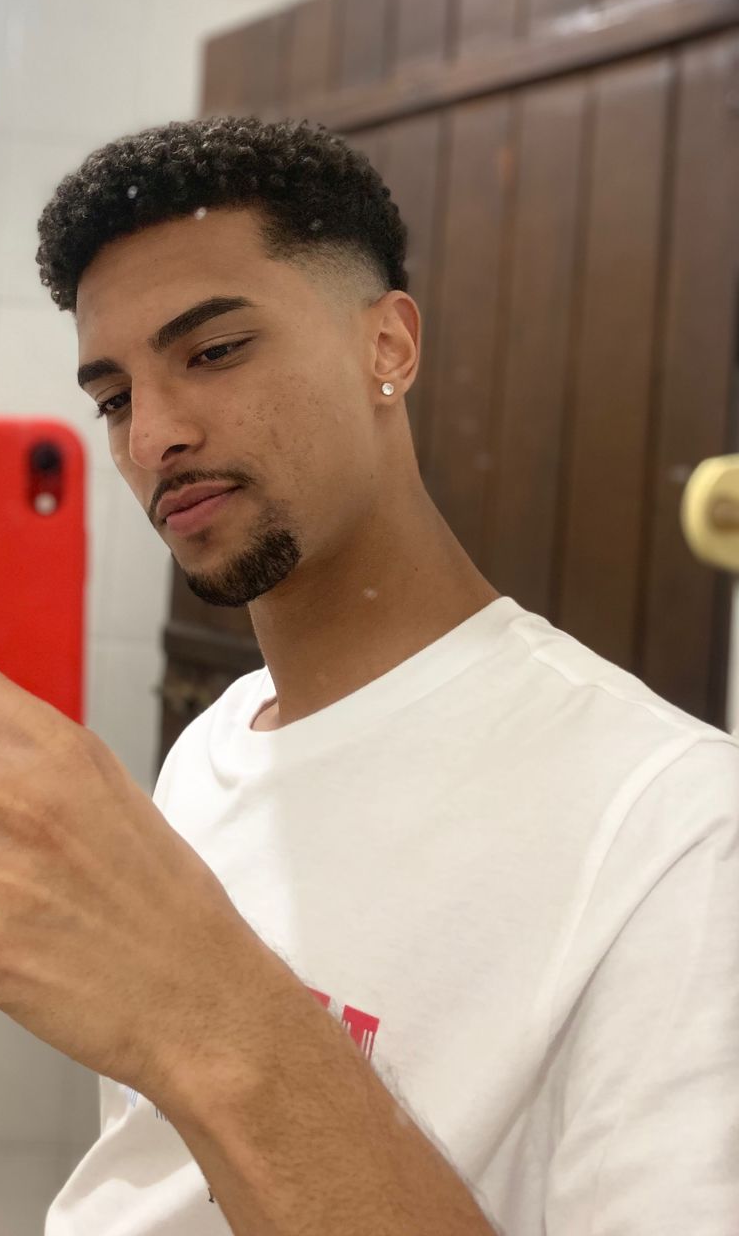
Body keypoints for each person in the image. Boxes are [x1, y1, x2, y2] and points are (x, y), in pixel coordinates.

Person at [37, 115, 739, 1234]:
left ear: (389, 347)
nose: (153, 436)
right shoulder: (209, 753)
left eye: (215, 351)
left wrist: (210, 1000)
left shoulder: (673, 825)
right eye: (114, 397)